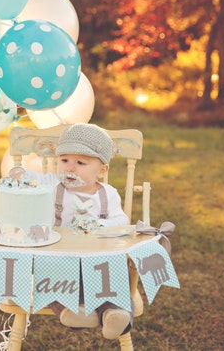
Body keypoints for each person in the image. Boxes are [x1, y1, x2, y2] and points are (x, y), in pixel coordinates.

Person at [8, 123, 132, 340]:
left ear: (102, 170)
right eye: (64, 160)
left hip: (96, 258)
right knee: (49, 277)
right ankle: (74, 312)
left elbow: (121, 219)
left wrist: (98, 226)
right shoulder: (53, 184)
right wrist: (18, 173)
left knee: (111, 275)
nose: (70, 168)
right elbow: (31, 177)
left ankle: (113, 313)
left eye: (80, 162)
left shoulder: (108, 194)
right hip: (59, 257)